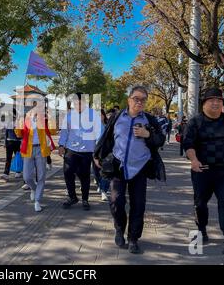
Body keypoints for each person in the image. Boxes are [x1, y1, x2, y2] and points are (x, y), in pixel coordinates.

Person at [94, 85, 166, 254]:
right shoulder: (117, 117)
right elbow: (106, 138)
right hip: (119, 166)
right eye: (136, 98)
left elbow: (160, 140)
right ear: (129, 99)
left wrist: (147, 135)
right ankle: (119, 229)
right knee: (116, 201)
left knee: (138, 205)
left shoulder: (150, 120)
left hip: (140, 168)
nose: (139, 102)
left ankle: (133, 238)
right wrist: (97, 155)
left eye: (143, 99)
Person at [183, 88, 224, 263]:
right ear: (204, 103)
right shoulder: (195, 122)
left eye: (219, 100)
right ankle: (201, 229)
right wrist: (194, 160)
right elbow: (188, 144)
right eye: (211, 100)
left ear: (223, 104)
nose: (215, 102)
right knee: (200, 204)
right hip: (202, 171)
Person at [58, 92, 103, 211]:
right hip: (71, 149)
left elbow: (99, 133)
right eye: (75, 102)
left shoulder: (93, 115)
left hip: (87, 151)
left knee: (84, 176)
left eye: (80, 102)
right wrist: (61, 145)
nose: (77, 104)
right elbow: (64, 131)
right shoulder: (69, 116)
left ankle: (85, 199)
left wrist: (97, 150)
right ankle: (72, 197)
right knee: (67, 172)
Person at [15, 103, 57, 212]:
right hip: (28, 149)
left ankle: (38, 200)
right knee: (27, 177)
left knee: (41, 176)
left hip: (41, 149)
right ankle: (33, 189)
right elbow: (19, 134)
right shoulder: (26, 118)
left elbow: (53, 131)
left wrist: (51, 118)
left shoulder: (45, 119)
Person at [0, 109, 23, 182]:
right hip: (9, 143)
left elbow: (22, 134)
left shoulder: (19, 123)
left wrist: (22, 142)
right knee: (8, 159)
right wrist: (4, 143)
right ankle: (6, 174)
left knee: (18, 158)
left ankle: (18, 172)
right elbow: (6, 134)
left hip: (17, 142)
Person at [92, 109, 110, 201]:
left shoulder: (108, 126)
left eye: (101, 115)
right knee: (96, 171)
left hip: (105, 151)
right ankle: (99, 184)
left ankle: (104, 191)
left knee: (105, 171)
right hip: (95, 151)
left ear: (104, 115)